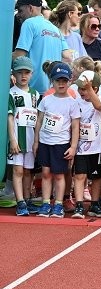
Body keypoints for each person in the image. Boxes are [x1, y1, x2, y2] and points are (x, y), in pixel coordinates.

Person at [32, 63, 80, 219]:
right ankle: (46, 203)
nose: (61, 84)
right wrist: (36, 142)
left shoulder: (72, 103)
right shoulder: (46, 100)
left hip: (61, 143)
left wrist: (73, 146)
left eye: (64, 81)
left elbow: (75, 126)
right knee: (46, 173)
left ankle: (58, 204)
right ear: (52, 81)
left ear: (69, 81)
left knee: (59, 174)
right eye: (58, 80)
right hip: (46, 141)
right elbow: (39, 121)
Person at [13, 0, 71, 94]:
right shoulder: (55, 29)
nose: (18, 15)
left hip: (32, 89)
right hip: (53, 90)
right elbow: (67, 56)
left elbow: (19, 56)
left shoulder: (29, 23)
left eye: (20, 10)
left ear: (30, 8)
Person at [8, 57, 41, 215]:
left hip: (30, 139)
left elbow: (37, 119)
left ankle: (27, 200)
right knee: (18, 170)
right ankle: (20, 201)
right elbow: (9, 117)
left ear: (32, 73)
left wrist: (37, 141)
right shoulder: (11, 93)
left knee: (28, 171)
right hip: (17, 139)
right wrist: (12, 139)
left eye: (26, 72)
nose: (23, 76)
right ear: (14, 73)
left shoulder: (35, 95)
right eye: (20, 72)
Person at [71, 70, 101, 219]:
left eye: (84, 89)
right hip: (80, 148)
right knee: (79, 175)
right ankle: (79, 205)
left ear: (95, 88)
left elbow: (99, 106)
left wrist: (90, 91)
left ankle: (94, 203)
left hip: (97, 148)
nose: (81, 91)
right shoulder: (76, 102)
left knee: (96, 177)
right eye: (80, 88)